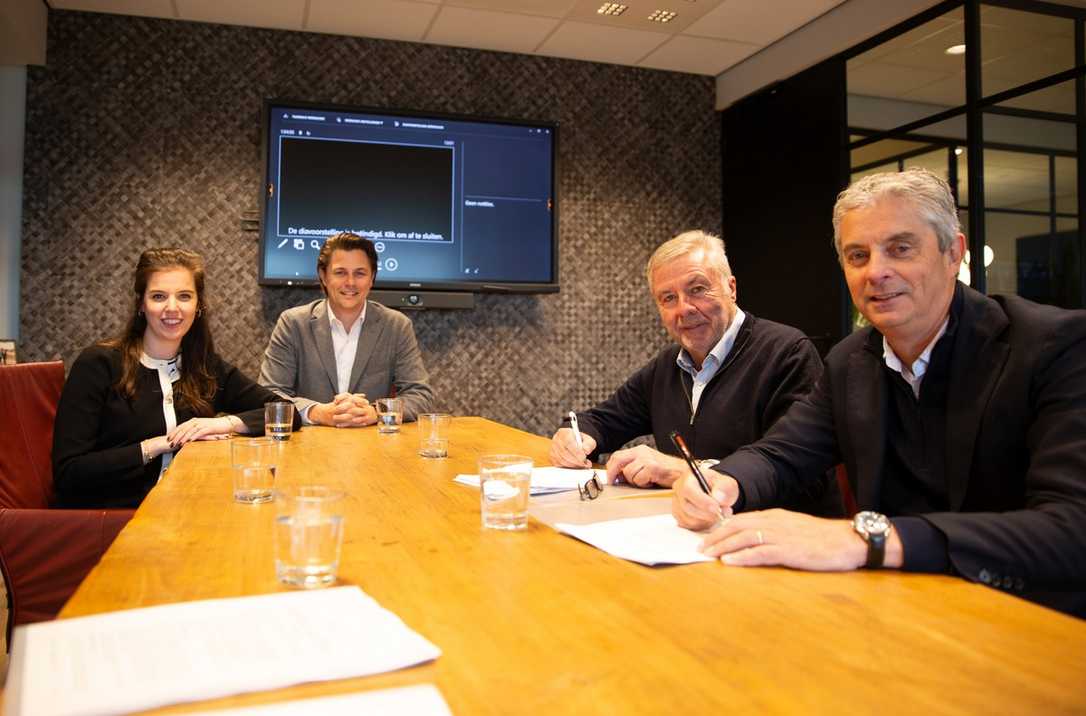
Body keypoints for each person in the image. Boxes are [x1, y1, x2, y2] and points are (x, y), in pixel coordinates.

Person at [672, 168, 1086, 617]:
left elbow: (1073, 528)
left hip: (1030, 619)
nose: (877, 272)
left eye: (900, 249)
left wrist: (867, 537)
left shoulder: (1056, 347)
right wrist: (723, 481)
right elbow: (782, 452)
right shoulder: (850, 361)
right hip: (896, 611)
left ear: (954, 253)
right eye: (858, 256)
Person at [551, 230, 832, 512]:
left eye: (697, 290)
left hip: (772, 540)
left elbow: (802, 475)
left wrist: (677, 471)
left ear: (731, 288)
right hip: (687, 530)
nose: (683, 309)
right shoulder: (667, 366)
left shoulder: (787, 353)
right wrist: (575, 436)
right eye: (668, 298)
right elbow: (602, 420)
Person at [52, 248, 292, 508]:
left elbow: (285, 411)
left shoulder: (205, 367)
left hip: (186, 508)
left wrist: (222, 424)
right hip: (114, 519)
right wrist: (157, 446)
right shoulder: (98, 364)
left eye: (184, 296)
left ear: (198, 305)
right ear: (141, 304)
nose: (172, 308)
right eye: (158, 296)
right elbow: (69, 472)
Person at [259, 232, 434, 427]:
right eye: (340, 272)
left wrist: (376, 412)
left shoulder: (396, 326)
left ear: (372, 278)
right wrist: (318, 412)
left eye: (360, 273)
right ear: (323, 276)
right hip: (308, 447)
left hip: (373, 448)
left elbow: (420, 395)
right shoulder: (293, 323)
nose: (350, 283)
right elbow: (269, 393)